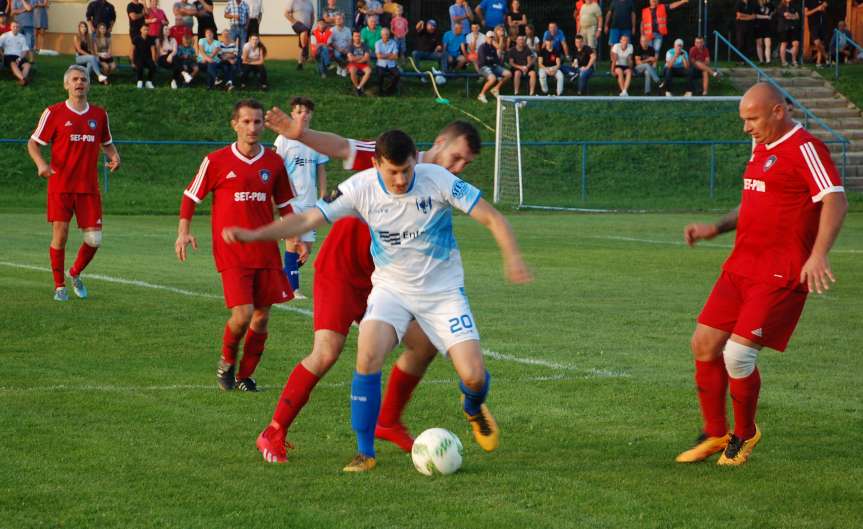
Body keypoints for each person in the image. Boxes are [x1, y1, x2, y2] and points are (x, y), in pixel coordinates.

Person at [224, 128, 532, 473]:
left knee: (464, 369)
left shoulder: (439, 180)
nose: (400, 180)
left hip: (438, 292)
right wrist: (255, 234)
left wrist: (513, 257)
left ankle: (463, 407)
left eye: (406, 171)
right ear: (376, 164)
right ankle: (340, 445)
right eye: (392, 172)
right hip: (369, 282)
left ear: (416, 159)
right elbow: (313, 207)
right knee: (348, 352)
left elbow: (491, 216)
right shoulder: (362, 183)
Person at [677, 82, 847, 466]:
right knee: (703, 345)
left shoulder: (806, 148)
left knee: (737, 355)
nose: (746, 127)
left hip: (779, 271)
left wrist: (819, 254)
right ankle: (715, 432)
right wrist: (713, 229)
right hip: (741, 265)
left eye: (752, 118)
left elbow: (835, 198)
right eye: (743, 119)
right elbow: (753, 203)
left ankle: (745, 433)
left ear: (778, 111)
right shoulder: (760, 148)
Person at [175, 99, 294, 393]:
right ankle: (227, 363)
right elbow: (191, 196)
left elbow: (285, 205)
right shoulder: (216, 161)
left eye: (257, 122)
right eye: (246, 122)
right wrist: (183, 232)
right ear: (235, 125)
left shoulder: (274, 162)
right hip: (231, 250)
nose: (252, 128)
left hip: (265, 249)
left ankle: (245, 376)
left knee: (262, 316)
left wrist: (295, 238)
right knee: (242, 314)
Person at [27, 65, 120, 302]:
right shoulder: (54, 112)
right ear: (67, 84)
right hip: (60, 185)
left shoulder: (99, 115)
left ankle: (75, 273)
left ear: (89, 84)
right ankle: (59, 286)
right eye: (75, 79)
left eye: (84, 79)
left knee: (95, 240)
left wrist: (114, 156)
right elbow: (33, 143)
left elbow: (106, 142)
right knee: (61, 235)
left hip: (88, 188)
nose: (80, 83)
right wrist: (41, 164)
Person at [274, 97, 327, 300]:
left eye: (306, 111)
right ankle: (293, 290)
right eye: (298, 111)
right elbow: (277, 167)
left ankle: (279, 277)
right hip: (290, 202)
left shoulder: (315, 139)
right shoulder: (284, 139)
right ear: (292, 114)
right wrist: (282, 193)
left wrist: (323, 194)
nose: (302, 115)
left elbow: (321, 168)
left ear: (311, 115)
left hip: (311, 202)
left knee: (306, 249)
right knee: (293, 243)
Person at [476, 30, 511, 103]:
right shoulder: (482, 47)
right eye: (489, 37)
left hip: (493, 66)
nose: (491, 39)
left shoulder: (493, 48)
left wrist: (492, 60)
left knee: (508, 74)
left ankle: (495, 89)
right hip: (483, 67)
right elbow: (483, 60)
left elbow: (497, 60)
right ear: (486, 38)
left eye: (492, 37)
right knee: (493, 79)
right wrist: (492, 60)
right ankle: (481, 94)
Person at [1, 21, 34, 85]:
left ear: (19, 28)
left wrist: (19, 58)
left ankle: (22, 80)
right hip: (8, 56)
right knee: (13, 63)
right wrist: (2, 54)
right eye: (14, 26)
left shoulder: (22, 37)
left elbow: (24, 50)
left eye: (17, 27)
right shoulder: (5, 35)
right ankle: (23, 79)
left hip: (19, 56)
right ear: (10, 27)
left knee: (27, 65)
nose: (15, 28)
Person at [285, 0, 313, 69]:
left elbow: (312, 15)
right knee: (304, 32)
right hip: (296, 24)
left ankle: (300, 64)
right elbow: (286, 13)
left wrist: (311, 25)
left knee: (302, 42)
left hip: (307, 26)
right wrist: (294, 21)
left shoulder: (309, 3)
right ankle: (306, 52)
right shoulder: (293, 1)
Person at [375, 27, 399, 96]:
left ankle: (389, 90)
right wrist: (390, 55)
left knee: (397, 75)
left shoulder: (393, 43)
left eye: (387, 34)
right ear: (381, 35)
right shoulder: (378, 43)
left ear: (389, 35)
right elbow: (378, 56)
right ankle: (380, 91)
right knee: (380, 74)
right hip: (380, 64)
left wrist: (384, 55)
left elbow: (396, 56)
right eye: (384, 34)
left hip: (391, 65)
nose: (386, 36)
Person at [347, 30, 372, 96]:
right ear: (353, 37)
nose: (357, 38)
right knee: (352, 70)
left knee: (368, 71)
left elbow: (366, 57)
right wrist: (361, 57)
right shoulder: (350, 46)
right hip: (353, 64)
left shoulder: (365, 45)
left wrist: (356, 59)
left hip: (363, 64)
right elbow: (350, 58)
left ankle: (359, 87)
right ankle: (356, 86)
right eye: (355, 36)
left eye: (359, 36)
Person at [157, 23, 182, 89]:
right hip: (162, 59)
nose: (168, 30)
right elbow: (160, 52)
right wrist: (169, 53)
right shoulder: (158, 40)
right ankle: (183, 73)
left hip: (172, 58)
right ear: (161, 30)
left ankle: (173, 81)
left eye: (168, 29)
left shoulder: (173, 39)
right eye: (166, 29)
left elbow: (175, 50)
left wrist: (170, 55)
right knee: (177, 62)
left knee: (176, 61)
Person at [776, 0, 800, 67]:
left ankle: (794, 61)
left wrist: (791, 16)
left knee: (796, 43)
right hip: (783, 28)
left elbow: (797, 16)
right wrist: (793, 16)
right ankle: (783, 62)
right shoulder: (780, 6)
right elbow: (786, 15)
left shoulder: (793, 5)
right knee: (784, 43)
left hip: (793, 27)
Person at [131, 23, 156, 89]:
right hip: (138, 58)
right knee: (139, 66)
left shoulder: (151, 39)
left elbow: (153, 50)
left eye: (147, 30)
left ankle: (149, 81)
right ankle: (140, 81)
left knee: (152, 66)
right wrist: (132, 62)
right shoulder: (136, 38)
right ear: (141, 30)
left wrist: (153, 60)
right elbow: (131, 50)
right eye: (144, 29)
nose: (146, 31)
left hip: (148, 58)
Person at [804, 0, 828, 67]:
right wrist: (817, 9)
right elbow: (806, 13)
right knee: (817, 42)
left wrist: (824, 7)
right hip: (813, 25)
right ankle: (826, 56)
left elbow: (823, 12)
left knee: (820, 44)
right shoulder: (808, 1)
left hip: (822, 25)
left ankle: (818, 62)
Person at [754, 0, 774, 64]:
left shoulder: (769, 4)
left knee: (768, 44)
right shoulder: (756, 5)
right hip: (758, 26)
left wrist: (771, 14)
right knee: (759, 44)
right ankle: (761, 60)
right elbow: (755, 15)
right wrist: (766, 17)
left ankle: (768, 60)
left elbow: (774, 10)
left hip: (767, 26)